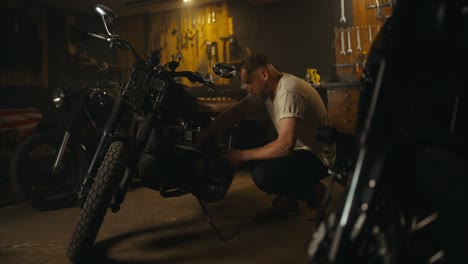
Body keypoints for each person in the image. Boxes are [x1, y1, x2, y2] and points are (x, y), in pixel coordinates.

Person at [196, 52, 336, 222]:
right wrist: (204, 134)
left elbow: (285, 146)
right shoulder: (266, 90)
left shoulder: (289, 91)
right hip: (297, 150)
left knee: (264, 175)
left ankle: (315, 193)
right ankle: (288, 200)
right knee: (244, 143)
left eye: (249, 83)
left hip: (316, 156)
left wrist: (242, 156)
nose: (248, 89)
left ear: (263, 74)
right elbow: (235, 113)